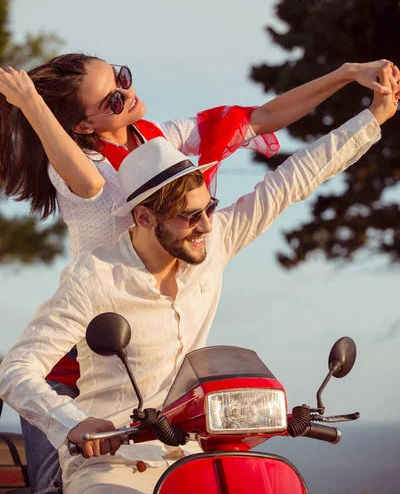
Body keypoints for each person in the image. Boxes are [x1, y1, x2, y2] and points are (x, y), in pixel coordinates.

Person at [0, 63, 398, 494]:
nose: (208, 226)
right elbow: (91, 182)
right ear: (145, 217)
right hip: (103, 429)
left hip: (183, 448)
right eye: (192, 216)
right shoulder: (91, 257)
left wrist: (371, 113)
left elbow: (291, 176)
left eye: (210, 208)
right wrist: (76, 424)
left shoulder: (170, 156)